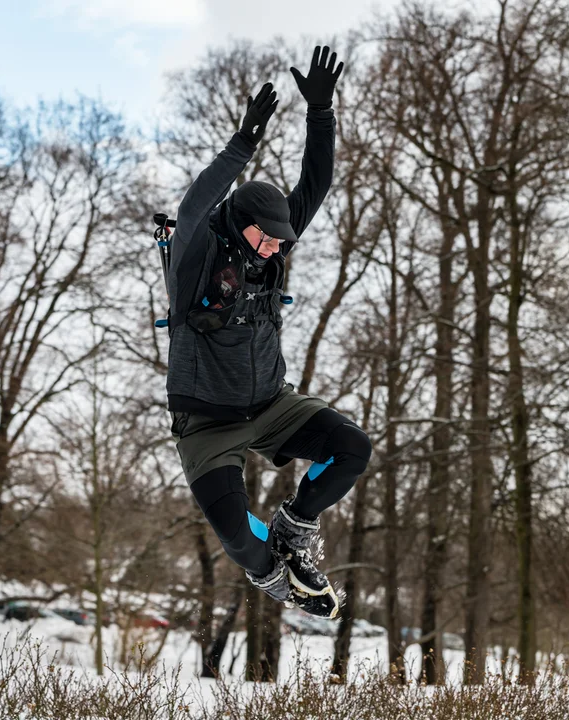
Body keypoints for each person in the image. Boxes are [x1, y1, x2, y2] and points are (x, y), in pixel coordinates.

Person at [164, 46, 371, 619]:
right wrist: (243, 144)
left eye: (284, 240)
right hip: (206, 422)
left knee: (353, 447)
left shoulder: (272, 246)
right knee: (235, 534)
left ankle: (297, 523)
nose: (280, 247)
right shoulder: (196, 256)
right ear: (243, 225)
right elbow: (196, 202)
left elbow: (317, 183)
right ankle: (271, 571)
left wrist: (321, 113)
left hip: (271, 404)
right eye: (269, 239)